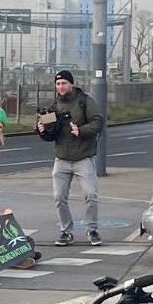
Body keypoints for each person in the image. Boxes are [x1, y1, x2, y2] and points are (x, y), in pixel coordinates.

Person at [36, 69, 105, 247]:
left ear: (71, 84)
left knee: (90, 194)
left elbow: (98, 122)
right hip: (62, 159)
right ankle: (66, 232)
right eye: (58, 84)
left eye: (64, 83)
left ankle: (92, 230)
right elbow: (50, 135)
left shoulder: (84, 101)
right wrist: (42, 131)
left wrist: (80, 131)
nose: (61, 87)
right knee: (59, 197)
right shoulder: (53, 107)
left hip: (83, 157)